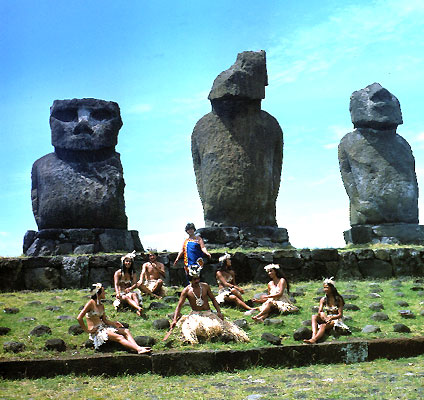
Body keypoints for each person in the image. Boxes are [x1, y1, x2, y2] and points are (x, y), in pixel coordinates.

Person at [169, 265, 249, 344]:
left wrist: (219, 312)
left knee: (218, 328)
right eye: (194, 279)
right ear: (190, 280)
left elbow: (213, 299)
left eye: (198, 278)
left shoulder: (205, 286)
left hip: (208, 313)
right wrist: (175, 319)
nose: (197, 281)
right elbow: (179, 305)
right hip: (195, 315)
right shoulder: (186, 291)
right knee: (193, 329)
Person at [77, 283, 151, 354]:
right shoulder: (90, 303)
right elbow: (79, 318)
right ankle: (138, 349)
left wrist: (114, 323)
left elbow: (104, 320)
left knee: (126, 331)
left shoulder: (101, 305)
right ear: (97, 293)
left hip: (103, 328)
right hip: (97, 332)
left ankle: (137, 347)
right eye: (103, 291)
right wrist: (87, 330)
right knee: (119, 337)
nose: (105, 293)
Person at [304, 277, 351, 344]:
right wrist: (324, 317)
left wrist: (331, 318)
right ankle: (313, 336)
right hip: (326, 317)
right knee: (314, 316)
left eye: (327, 287)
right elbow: (320, 311)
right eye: (324, 287)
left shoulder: (338, 299)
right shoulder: (323, 299)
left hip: (335, 319)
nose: (325, 289)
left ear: (332, 288)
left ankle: (314, 340)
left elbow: (340, 314)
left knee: (323, 325)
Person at [114, 251, 156, 317]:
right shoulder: (118, 273)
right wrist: (117, 293)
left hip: (129, 291)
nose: (128, 263)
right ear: (123, 262)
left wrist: (130, 288)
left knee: (134, 294)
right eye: (126, 261)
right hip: (121, 293)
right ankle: (138, 308)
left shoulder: (133, 273)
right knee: (126, 297)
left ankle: (138, 310)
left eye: (130, 261)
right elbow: (116, 284)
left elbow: (135, 284)